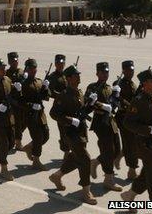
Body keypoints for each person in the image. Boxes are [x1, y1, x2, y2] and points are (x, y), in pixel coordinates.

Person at [48, 65, 97, 205]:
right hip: (70, 133)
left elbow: (82, 111)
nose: (79, 77)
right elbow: (54, 114)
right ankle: (86, 191)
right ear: (69, 79)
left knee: (76, 157)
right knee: (85, 159)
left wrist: (91, 104)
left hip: (81, 131)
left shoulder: (79, 92)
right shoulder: (63, 95)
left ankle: (57, 175)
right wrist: (70, 120)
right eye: (76, 75)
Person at [121, 69, 152, 213]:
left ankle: (129, 195)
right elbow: (128, 123)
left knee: (149, 171)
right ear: (145, 83)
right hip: (146, 145)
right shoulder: (138, 101)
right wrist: (147, 130)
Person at [86, 62, 123, 191]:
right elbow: (88, 103)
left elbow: (115, 105)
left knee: (117, 150)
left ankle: (95, 162)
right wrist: (102, 106)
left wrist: (117, 96)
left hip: (111, 122)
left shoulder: (110, 88)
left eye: (107, 72)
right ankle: (108, 180)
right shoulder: (92, 87)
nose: (105, 74)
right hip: (100, 123)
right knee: (108, 151)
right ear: (97, 73)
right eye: (102, 72)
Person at [18, 59, 51, 170]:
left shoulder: (38, 81)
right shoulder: (22, 83)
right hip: (30, 115)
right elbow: (19, 101)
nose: (33, 70)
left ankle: (29, 147)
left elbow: (45, 97)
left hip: (40, 113)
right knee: (38, 137)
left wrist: (46, 88)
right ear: (26, 69)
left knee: (45, 136)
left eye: (35, 68)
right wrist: (31, 105)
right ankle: (36, 161)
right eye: (31, 68)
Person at [113, 60, 140, 180]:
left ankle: (119, 157)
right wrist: (130, 106)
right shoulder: (118, 84)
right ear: (123, 70)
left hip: (133, 118)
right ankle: (132, 170)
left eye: (132, 70)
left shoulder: (133, 84)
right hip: (123, 118)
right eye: (129, 70)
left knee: (131, 143)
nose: (131, 72)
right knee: (131, 144)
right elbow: (117, 100)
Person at [47, 54, 68, 155]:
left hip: (69, 105)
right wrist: (60, 95)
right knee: (63, 129)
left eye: (62, 63)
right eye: (59, 63)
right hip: (59, 106)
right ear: (55, 64)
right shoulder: (52, 77)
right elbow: (50, 92)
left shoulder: (67, 74)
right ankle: (66, 152)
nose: (60, 65)